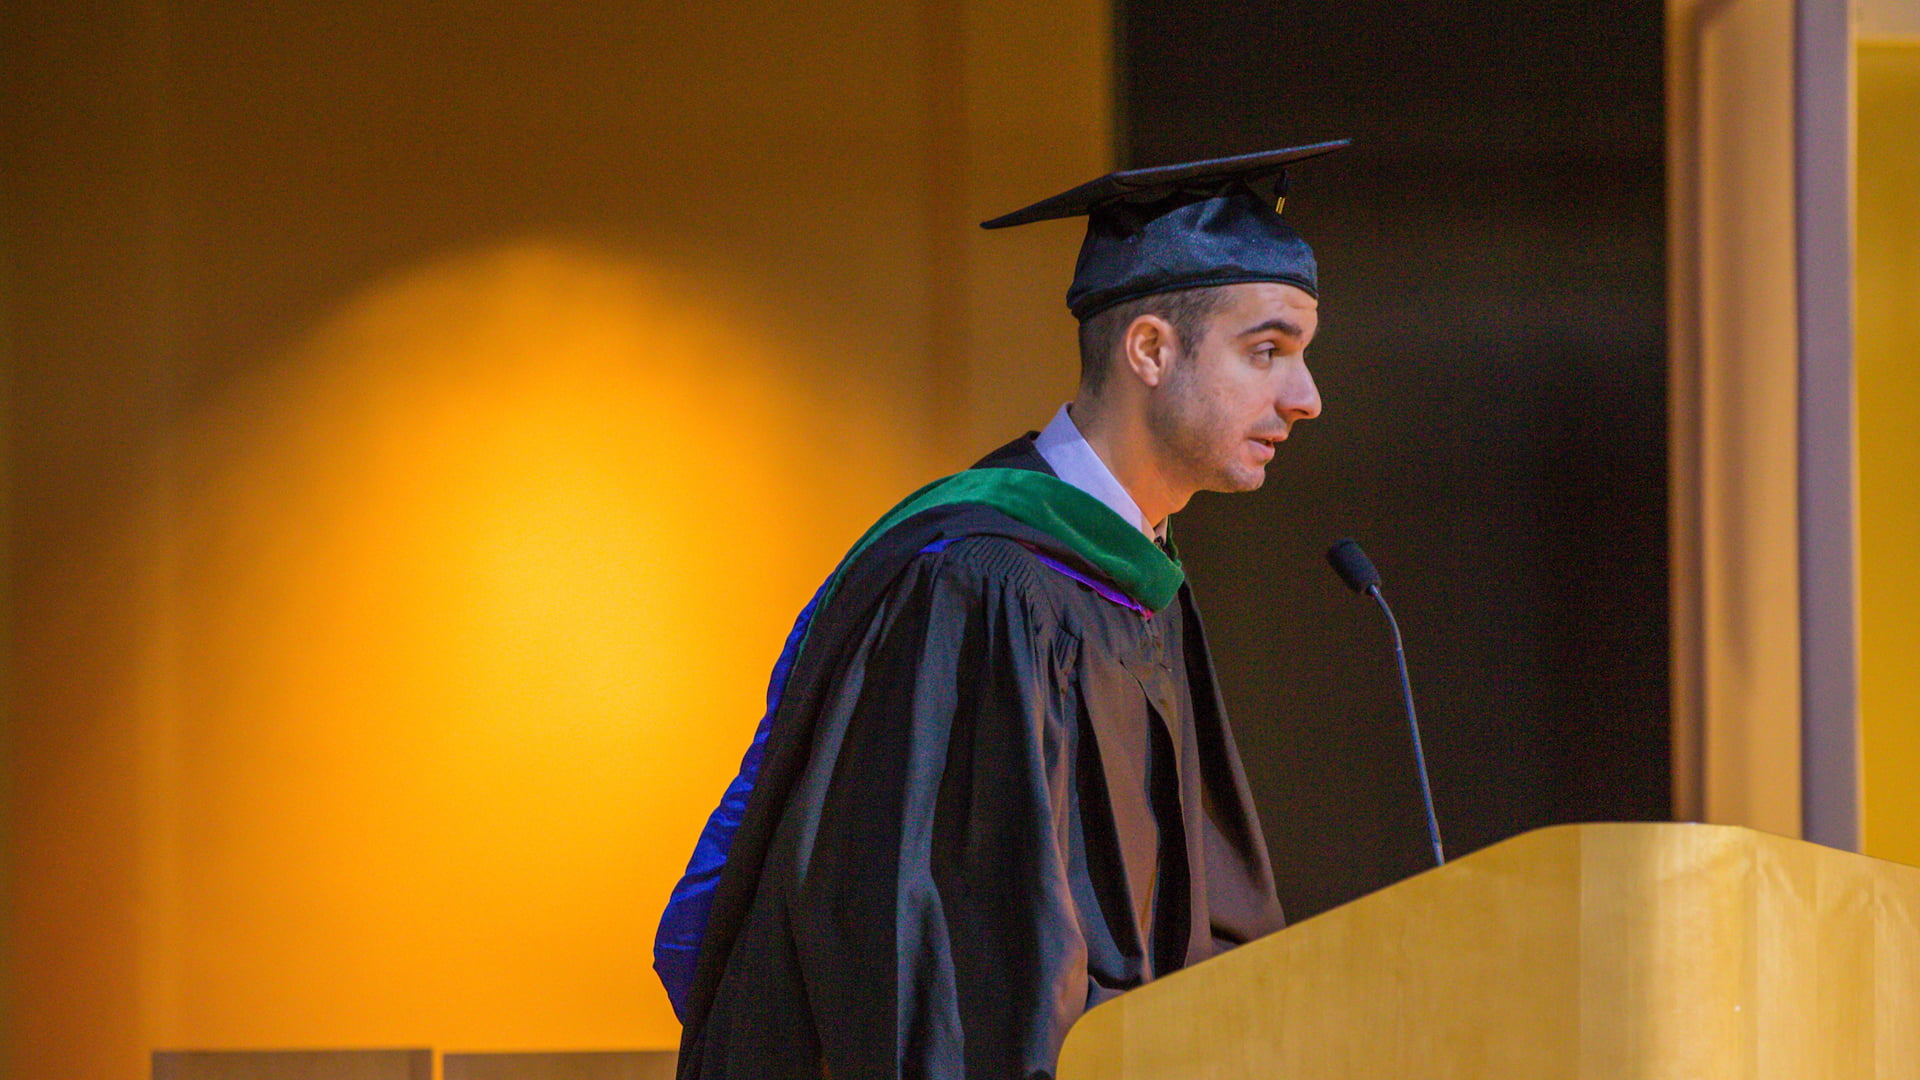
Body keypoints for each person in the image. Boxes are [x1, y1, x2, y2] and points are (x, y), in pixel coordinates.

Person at [656, 140, 1347, 1079]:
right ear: (1149, 348)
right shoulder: (979, 582)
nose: (1305, 398)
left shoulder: (1126, 583)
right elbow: (933, 954)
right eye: (1268, 351)